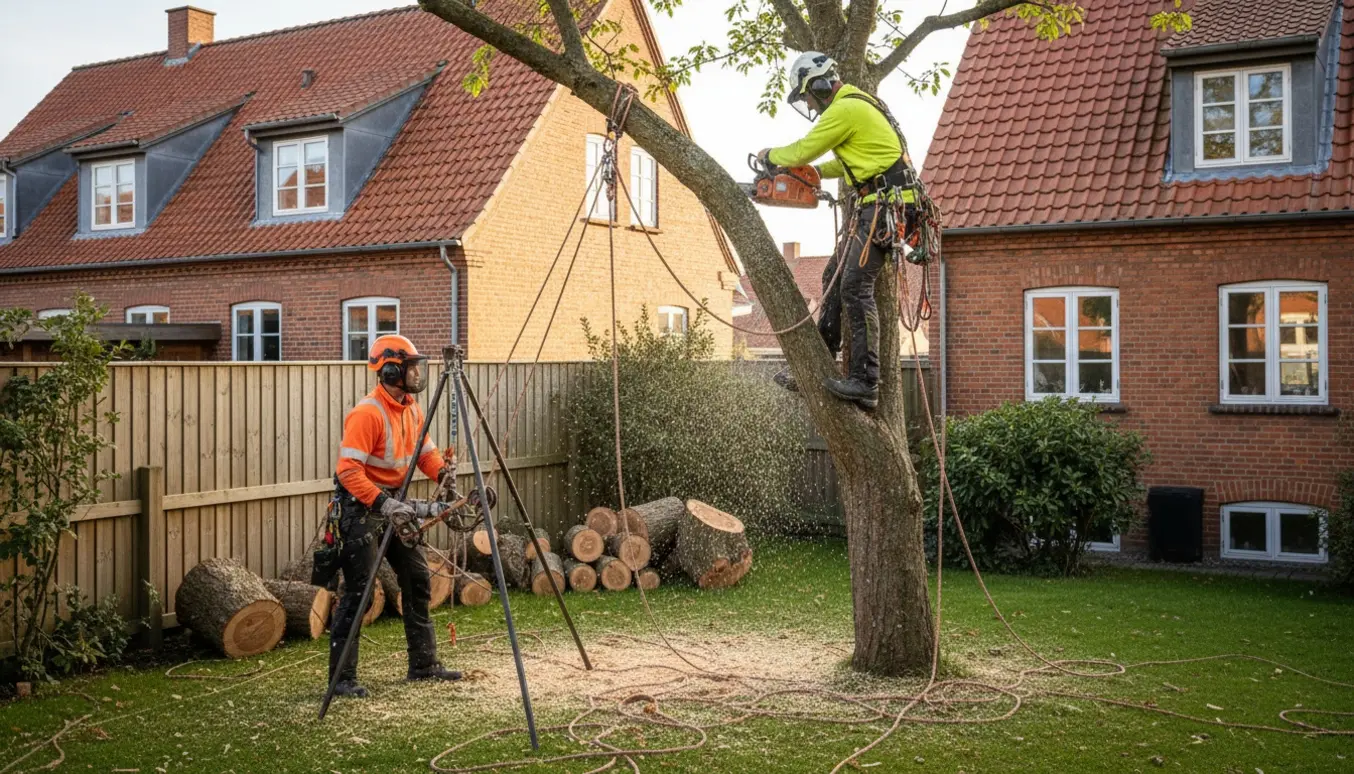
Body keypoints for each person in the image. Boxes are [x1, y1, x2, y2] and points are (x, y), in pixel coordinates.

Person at [759, 52, 915, 410]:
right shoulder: (855, 104)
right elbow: (842, 162)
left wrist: (772, 157)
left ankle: (865, 382)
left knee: (855, 286)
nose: (809, 103)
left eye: (808, 96)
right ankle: (820, 360)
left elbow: (803, 149)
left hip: (885, 205)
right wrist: (812, 175)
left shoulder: (844, 109)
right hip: (876, 203)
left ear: (818, 84)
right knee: (834, 274)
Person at [328, 334, 460, 698]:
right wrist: (382, 504)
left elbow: (426, 454)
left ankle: (423, 664)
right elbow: (348, 471)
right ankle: (341, 679)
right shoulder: (367, 413)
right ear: (389, 370)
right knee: (360, 592)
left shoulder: (413, 408)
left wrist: (442, 474)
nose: (418, 373)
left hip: (395, 505)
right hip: (361, 507)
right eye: (410, 367)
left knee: (417, 579)